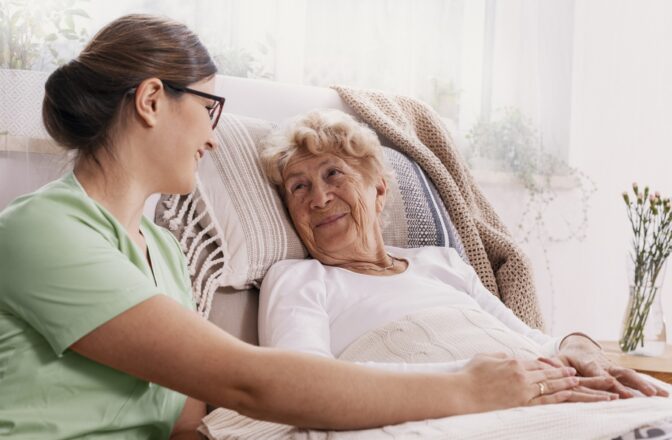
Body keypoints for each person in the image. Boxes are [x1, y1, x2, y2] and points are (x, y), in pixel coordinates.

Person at [0, 14, 621, 440]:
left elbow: (188, 422)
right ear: (152, 100)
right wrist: (466, 388)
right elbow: (244, 381)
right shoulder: (42, 232)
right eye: (210, 108)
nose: (215, 138)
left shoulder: (162, 250)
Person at [257, 109, 669, 401]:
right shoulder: (298, 279)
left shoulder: (443, 263)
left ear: (379, 189)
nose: (320, 197)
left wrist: (582, 346)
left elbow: (532, 340)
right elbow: (303, 386)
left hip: (547, 394)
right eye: (298, 187)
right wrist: (471, 383)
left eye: (334, 174)